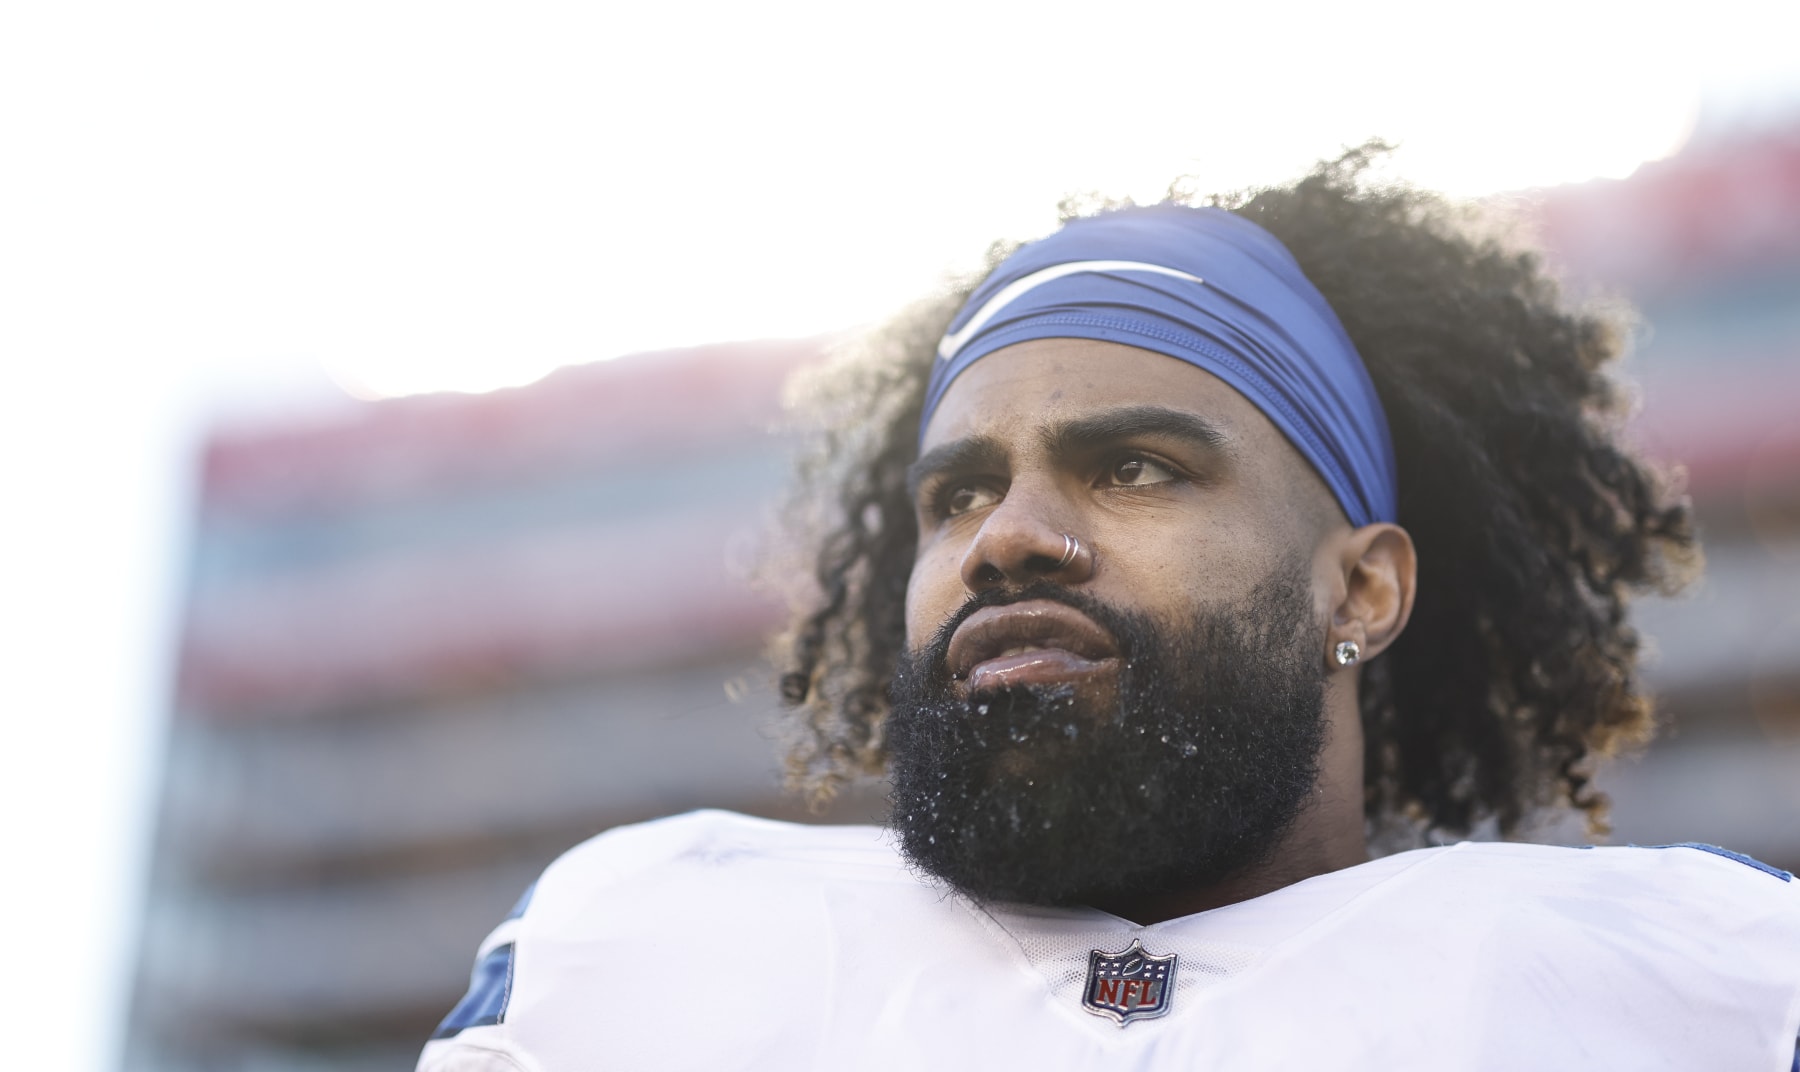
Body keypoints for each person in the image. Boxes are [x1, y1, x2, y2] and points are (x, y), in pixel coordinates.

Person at [418, 149, 1800, 1071]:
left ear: (1361, 589)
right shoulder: (632, 951)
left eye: (1135, 467)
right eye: (955, 494)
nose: (1007, 539)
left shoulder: (1707, 984)